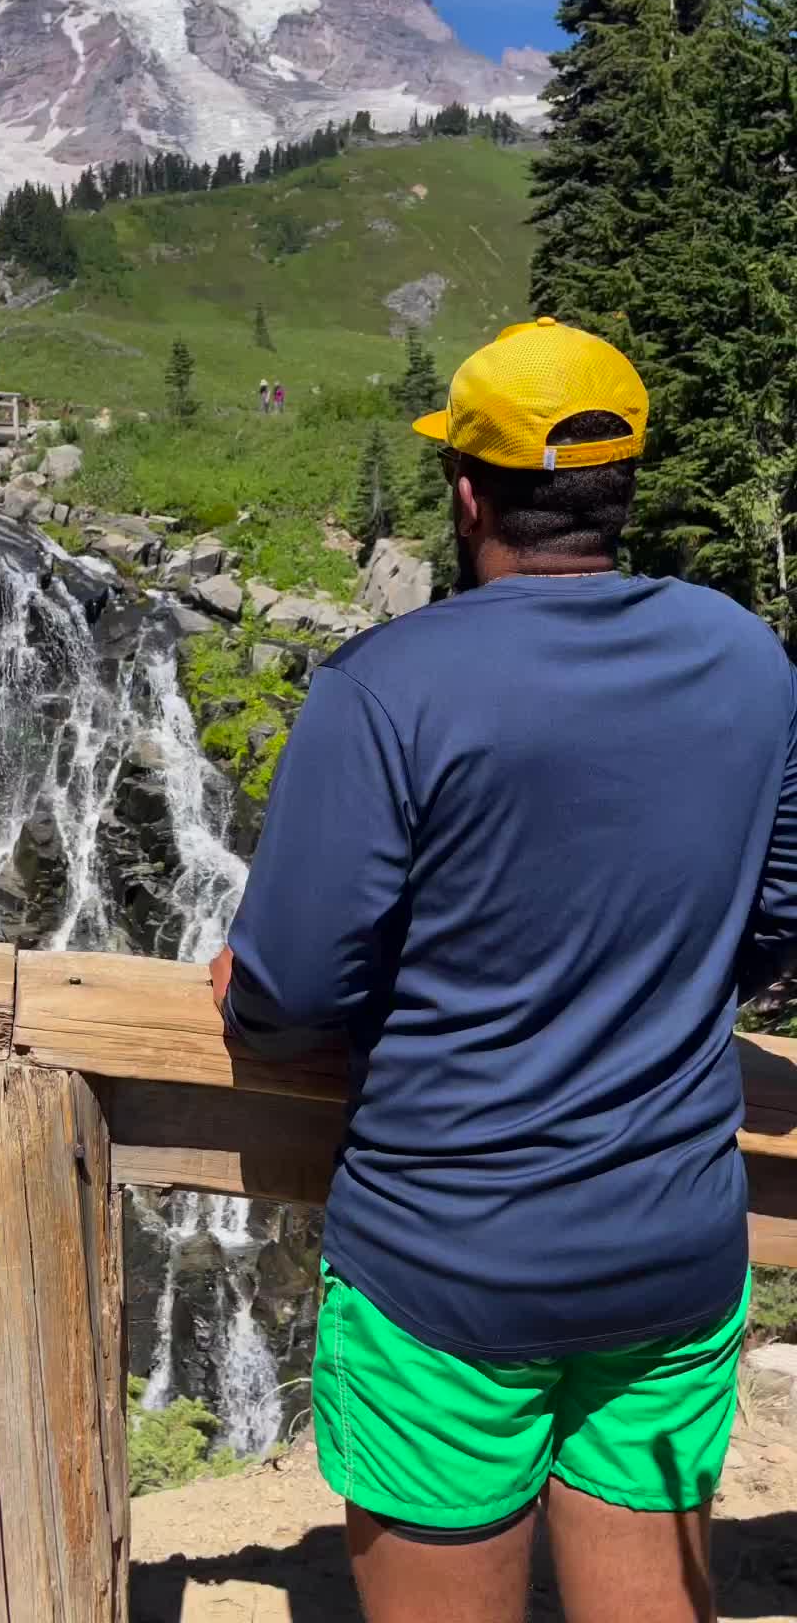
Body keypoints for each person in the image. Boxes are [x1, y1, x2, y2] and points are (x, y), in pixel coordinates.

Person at [210, 317, 797, 1623]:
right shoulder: (751, 663)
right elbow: (777, 925)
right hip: (672, 1248)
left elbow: (294, 989)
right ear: (622, 485)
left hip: (446, 1261)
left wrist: (253, 991)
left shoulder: (386, 687)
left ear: (467, 491)